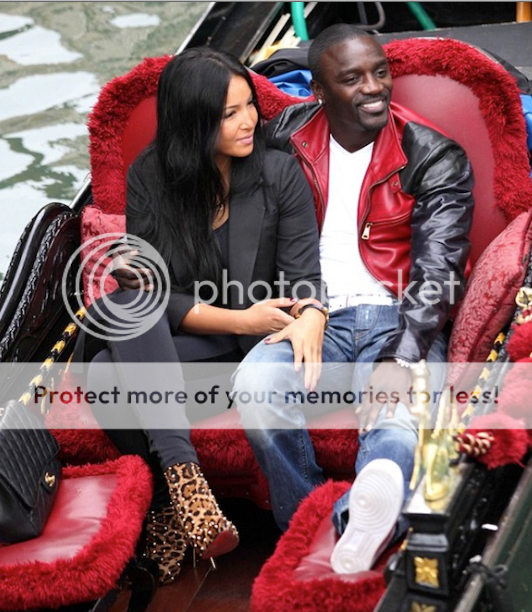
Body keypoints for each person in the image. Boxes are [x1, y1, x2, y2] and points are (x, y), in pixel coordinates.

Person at [77, 46, 328, 584]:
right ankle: (186, 483)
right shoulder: (150, 175)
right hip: (183, 344)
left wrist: (307, 314)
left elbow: (305, 277)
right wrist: (240, 319)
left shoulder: (279, 173)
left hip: (248, 357)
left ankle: (171, 502)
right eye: (229, 113)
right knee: (129, 305)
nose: (249, 121)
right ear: (193, 121)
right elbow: (151, 294)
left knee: (103, 372)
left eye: (249, 105)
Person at [231, 23, 475, 574]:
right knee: (256, 386)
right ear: (318, 90)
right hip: (312, 316)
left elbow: (439, 271)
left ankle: (359, 519)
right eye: (353, 78)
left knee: (396, 414)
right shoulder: (283, 137)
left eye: (380, 72)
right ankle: (308, 523)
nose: (373, 87)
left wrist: (403, 356)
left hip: (400, 318)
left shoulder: (434, 155)